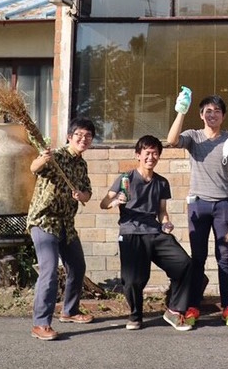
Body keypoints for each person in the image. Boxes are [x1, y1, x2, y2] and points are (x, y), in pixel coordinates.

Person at [167, 91, 228, 327]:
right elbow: (172, 140)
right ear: (201, 115)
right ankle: (193, 306)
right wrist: (180, 111)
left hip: (224, 204)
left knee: (224, 257)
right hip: (198, 204)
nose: (212, 114)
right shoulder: (193, 136)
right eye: (208, 111)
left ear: (223, 116)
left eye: (217, 111)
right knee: (198, 258)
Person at [99, 135, 193, 332]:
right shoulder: (126, 178)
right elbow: (104, 203)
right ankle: (135, 316)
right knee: (133, 279)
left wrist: (166, 223)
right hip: (131, 231)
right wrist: (116, 201)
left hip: (154, 231)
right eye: (147, 153)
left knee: (184, 263)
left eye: (155, 153)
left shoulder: (162, 182)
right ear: (138, 155)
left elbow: (162, 211)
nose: (151, 157)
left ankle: (174, 310)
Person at [26, 117, 95, 341]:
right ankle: (40, 324)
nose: (83, 139)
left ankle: (69, 311)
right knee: (49, 270)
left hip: (66, 223)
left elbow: (87, 194)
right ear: (69, 137)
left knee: (77, 266)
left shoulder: (81, 164)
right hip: (44, 221)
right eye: (79, 135)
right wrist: (43, 158)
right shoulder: (56, 156)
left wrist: (81, 195)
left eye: (88, 136)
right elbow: (34, 168)